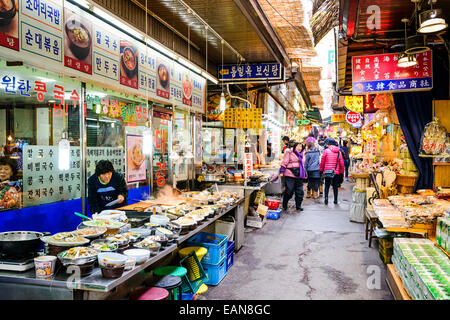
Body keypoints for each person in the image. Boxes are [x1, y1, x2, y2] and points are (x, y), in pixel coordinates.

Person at [279, 142, 307, 212]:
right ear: (295, 146)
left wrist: (305, 173)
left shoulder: (303, 153)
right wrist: (282, 171)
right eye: (298, 146)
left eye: (301, 146)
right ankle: (285, 203)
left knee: (300, 192)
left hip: (299, 175)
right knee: (289, 191)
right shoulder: (289, 152)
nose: (300, 148)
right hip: (290, 174)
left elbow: (303, 165)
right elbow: (285, 162)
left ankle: (298, 206)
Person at [319, 138, 345, 205]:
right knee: (335, 186)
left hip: (327, 171)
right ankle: (335, 200)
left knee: (327, 185)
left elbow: (322, 162)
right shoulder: (339, 152)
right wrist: (342, 172)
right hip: (336, 172)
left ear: (329, 144)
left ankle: (326, 199)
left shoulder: (326, 151)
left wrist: (321, 170)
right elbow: (342, 163)